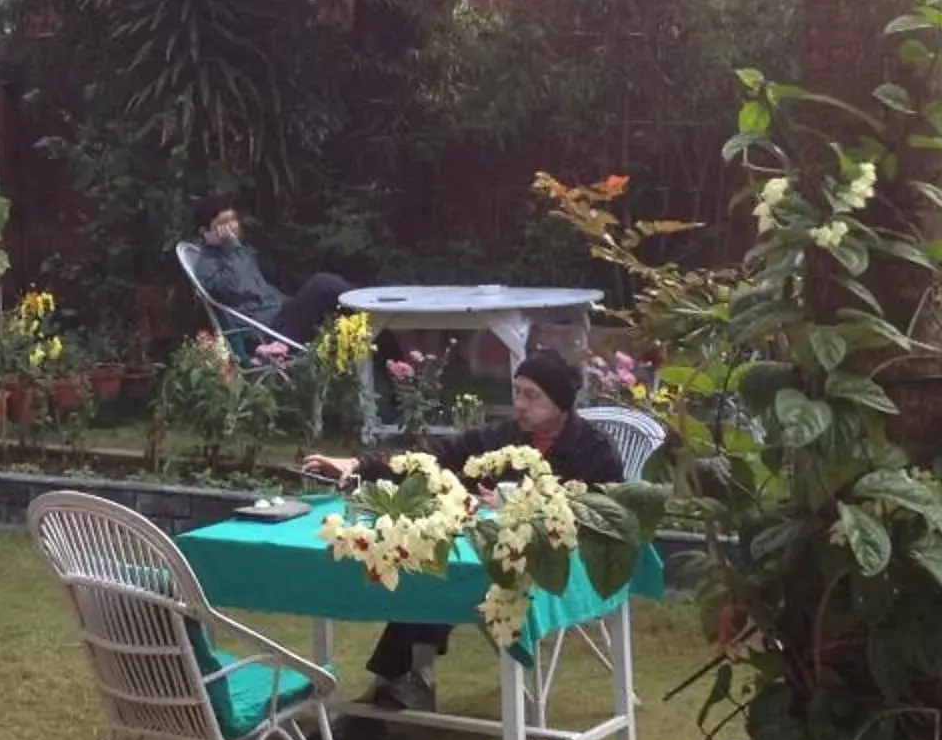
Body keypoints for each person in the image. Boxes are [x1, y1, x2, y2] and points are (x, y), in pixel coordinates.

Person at [299, 348, 625, 713]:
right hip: (491, 556)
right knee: (432, 563)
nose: (519, 404)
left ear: (561, 403)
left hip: (560, 570)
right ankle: (406, 679)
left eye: (532, 396)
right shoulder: (505, 436)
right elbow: (434, 459)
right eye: (516, 391)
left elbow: (604, 518)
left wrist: (524, 505)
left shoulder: (594, 450)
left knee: (456, 572)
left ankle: (406, 682)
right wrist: (361, 463)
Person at [189, 198, 357, 346]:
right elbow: (230, 288)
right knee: (322, 284)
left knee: (332, 300)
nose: (232, 227)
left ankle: (375, 321)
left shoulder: (242, 252)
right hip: (268, 330)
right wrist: (231, 249)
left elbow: (265, 289)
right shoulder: (208, 265)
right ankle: (371, 307)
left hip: (281, 314)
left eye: (233, 220)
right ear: (205, 232)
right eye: (223, 223)